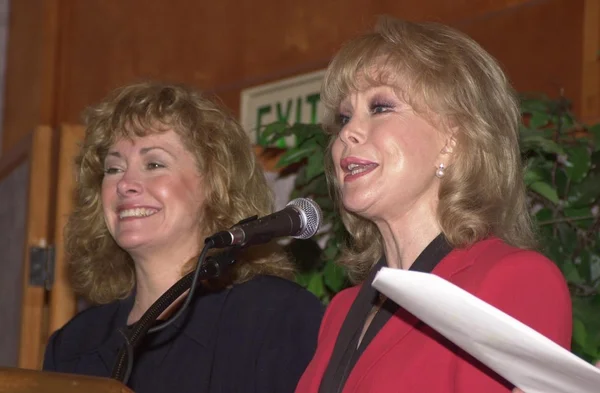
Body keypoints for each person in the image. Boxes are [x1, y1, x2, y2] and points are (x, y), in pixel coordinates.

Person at [294, 16, 572, 393]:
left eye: (380, 107)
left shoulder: (512, 280)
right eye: (345, 116)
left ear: (453, 139)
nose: (347, 132)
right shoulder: (341, 311)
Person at [42, 82, 324, 393]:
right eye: (114, 168)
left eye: (154, 164)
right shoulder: (73, 345)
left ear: (215, 184)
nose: (125, 184)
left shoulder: (277, 317)